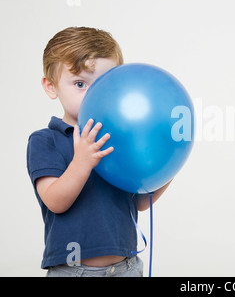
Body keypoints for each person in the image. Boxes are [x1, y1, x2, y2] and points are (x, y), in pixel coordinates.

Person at [26, 27, 171, 277]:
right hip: (73, 270)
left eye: (105, 83)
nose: (95, 93)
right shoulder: (45, 140)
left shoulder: (120, 140)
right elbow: (55, 202)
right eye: (80, 84)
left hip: (127, 267)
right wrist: (82, 162)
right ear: (51, 87)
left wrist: (167, 165)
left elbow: (138, 203)